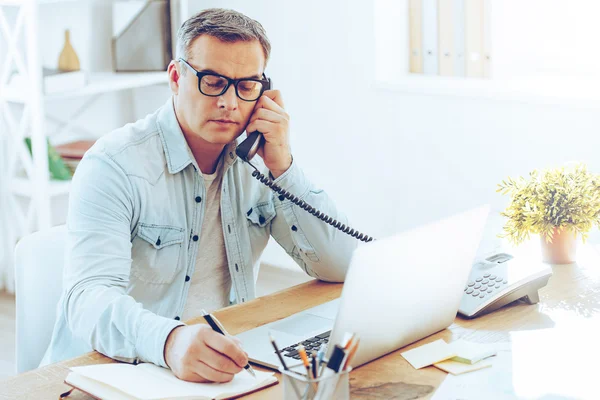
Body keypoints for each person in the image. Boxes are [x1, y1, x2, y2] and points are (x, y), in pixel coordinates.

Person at [41, 8, 357, 383]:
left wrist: (283, 167)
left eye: (246, 86)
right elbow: (87, 299)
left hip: (219, 364)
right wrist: (169, 341)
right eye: (212, 81)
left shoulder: (256, 163)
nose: (230, 102)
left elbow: (340, 265)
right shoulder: (113, 165)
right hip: (116, 371)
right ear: (176, 78)